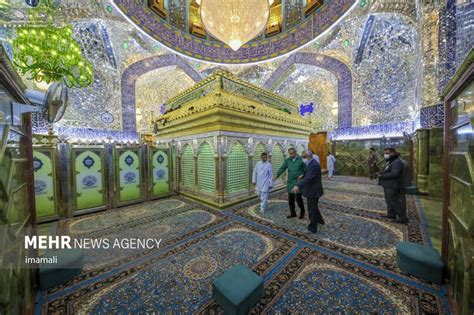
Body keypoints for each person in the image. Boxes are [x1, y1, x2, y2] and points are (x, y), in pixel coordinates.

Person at [291, 149, 325, 233]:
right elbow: (309, 174)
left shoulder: (313, 165)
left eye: (303, 157)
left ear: (308, 157)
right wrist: (303, 176)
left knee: (311, 208)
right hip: (313, 189)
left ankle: (313, 227)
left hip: (313, 190)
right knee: (314, 206)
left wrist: (298, 186)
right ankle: (320, 220)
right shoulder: (311, 163)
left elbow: (309, 178)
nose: (302, 159)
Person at [378, 148, 409, 224]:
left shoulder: (397, 162)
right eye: (385, 153)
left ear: (393, 153)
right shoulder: (391, 161)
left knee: (394, 201)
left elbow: (394, 174)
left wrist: (381, 176)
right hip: (388, 184)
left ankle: (402, 217)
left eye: (387, 153)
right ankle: (391, 214)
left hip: (392, 185)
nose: (386, 155)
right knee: (389, 200)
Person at [273, 148, 306, 219]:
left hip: (298, 181)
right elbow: (282, 168)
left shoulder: (301, 159)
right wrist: (276, 175)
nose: (291, 155)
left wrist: (303, 175)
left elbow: (305, 169)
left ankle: (302, 212)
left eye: (292, 153)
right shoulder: (287, 160)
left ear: (295, 153)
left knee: (298, 198)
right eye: (290, 154)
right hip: (290, 182)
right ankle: (293, 213)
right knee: (290, 199)